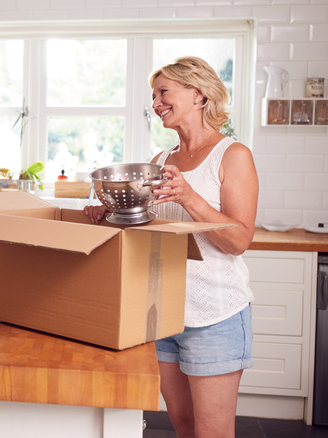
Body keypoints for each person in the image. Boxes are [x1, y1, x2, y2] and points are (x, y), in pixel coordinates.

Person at [84, 56, 258, 438]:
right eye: (153, 95)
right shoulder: (159, 162)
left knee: (212, 432)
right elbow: (146, 228)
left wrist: (191, 197)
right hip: (162, 313)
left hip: (216, 315)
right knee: (183, 425)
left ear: (197, 95)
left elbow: (239, 240)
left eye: (164, 92)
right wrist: (109, 212)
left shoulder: (233, 155)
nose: (156, 102)